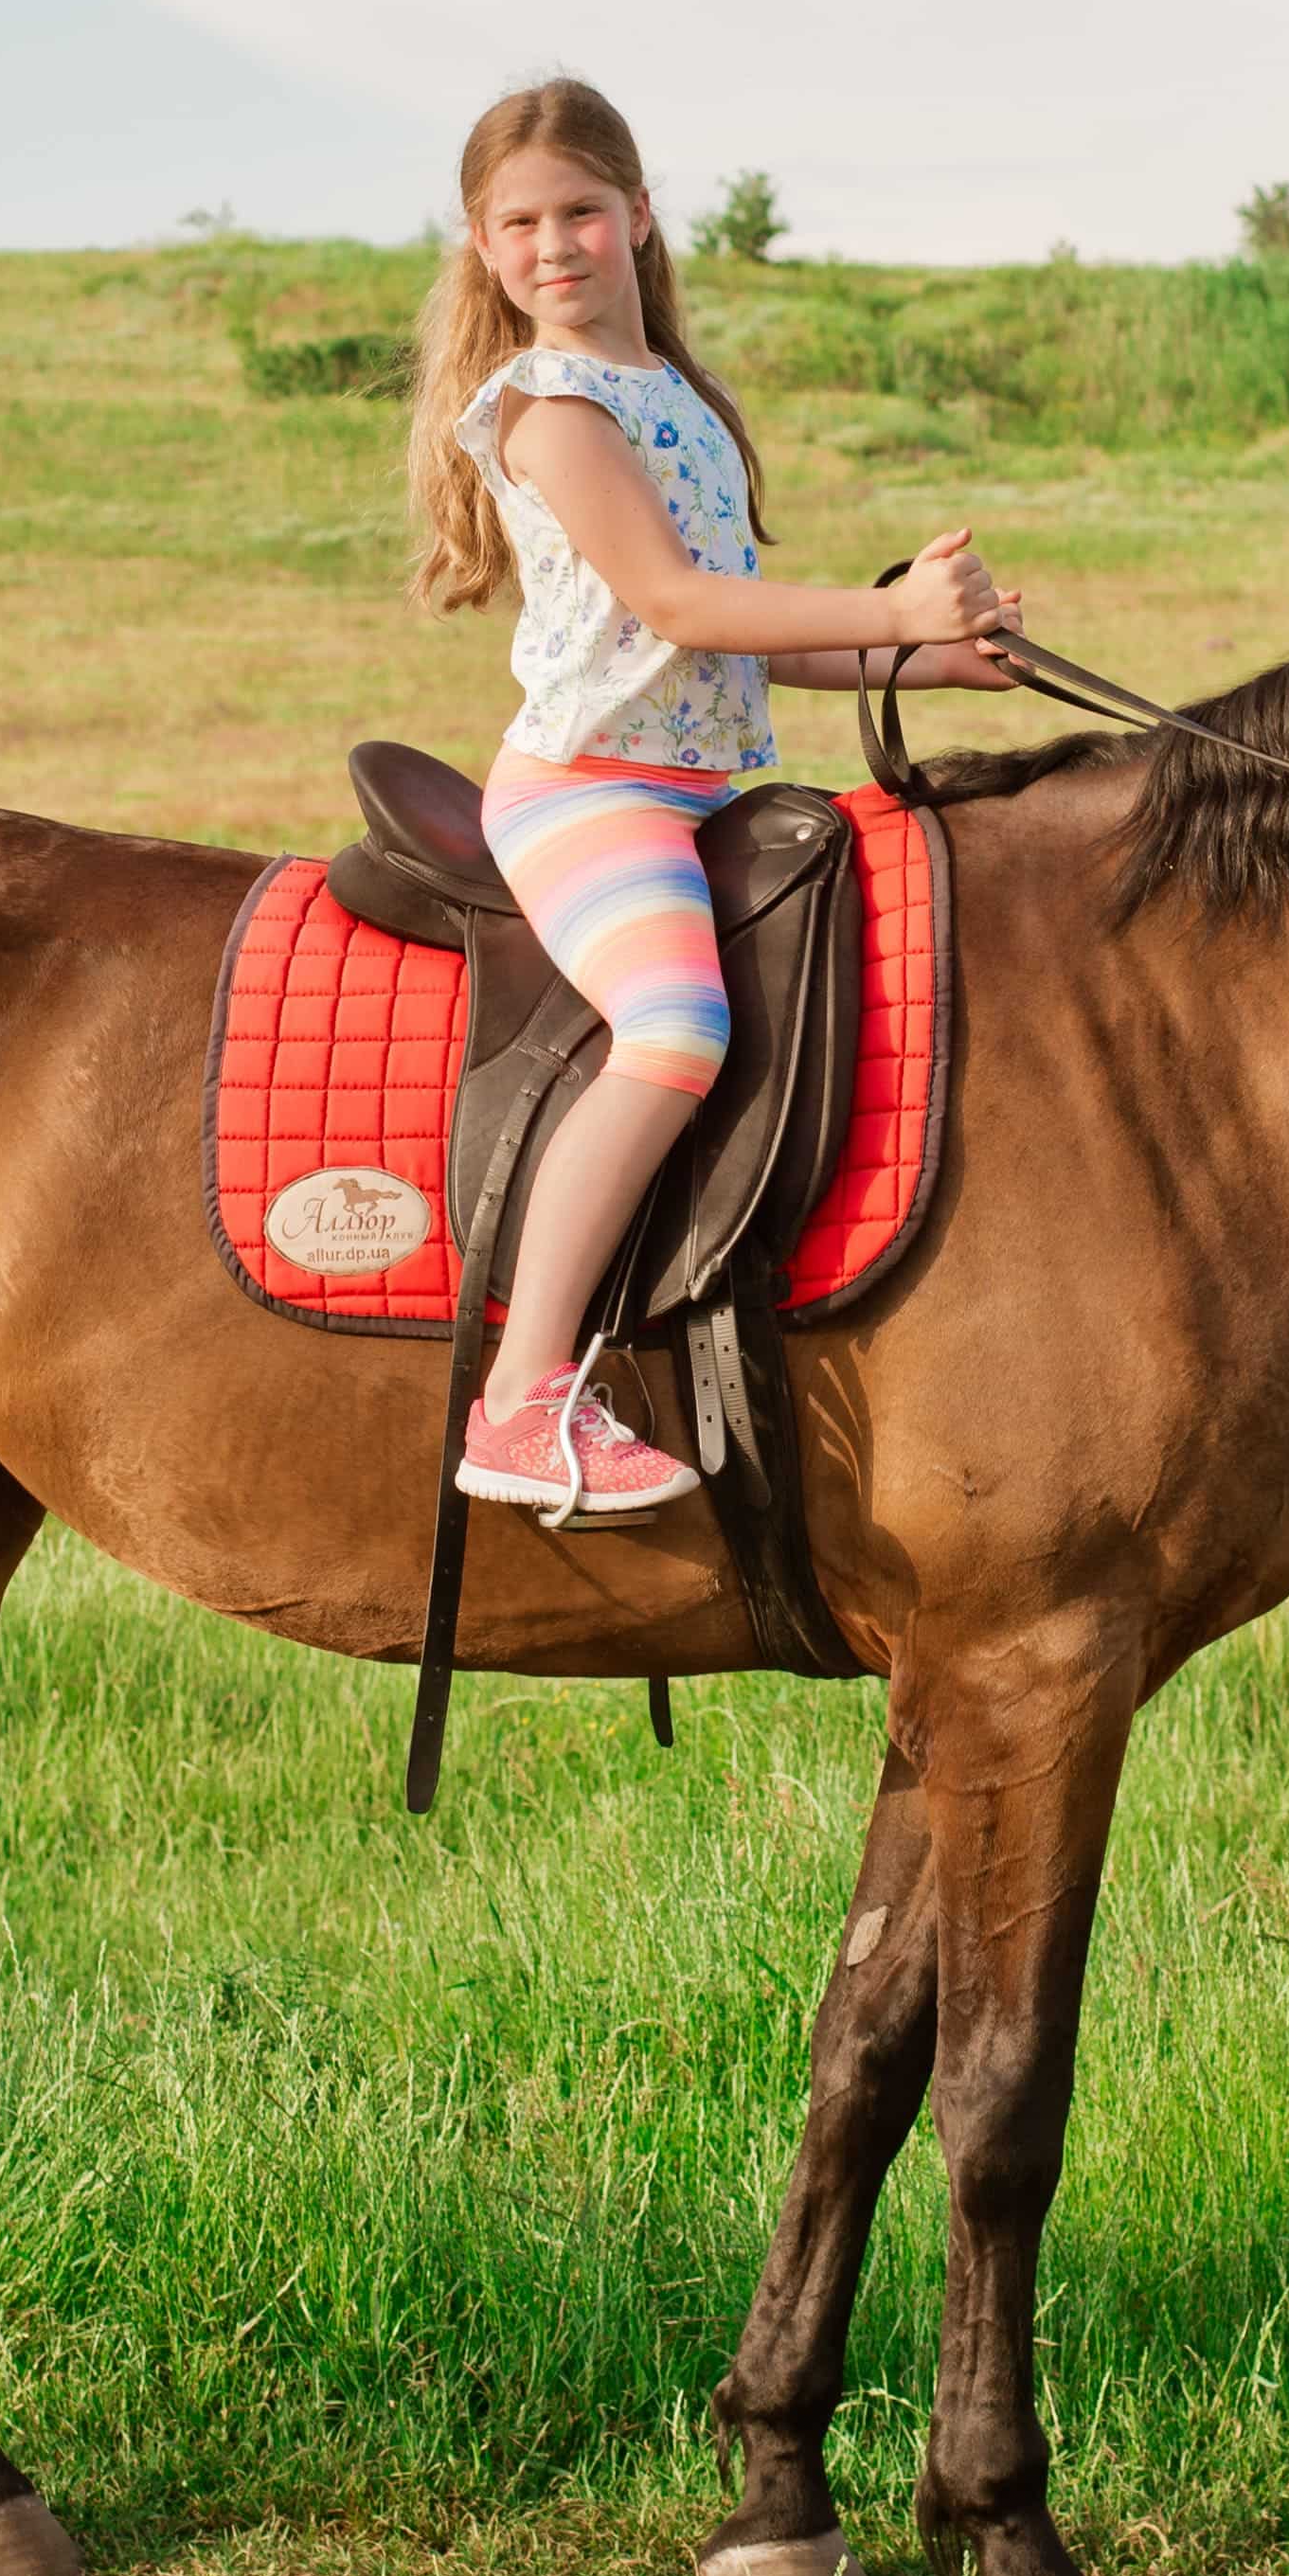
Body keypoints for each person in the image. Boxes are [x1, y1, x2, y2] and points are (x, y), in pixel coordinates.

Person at [404, 77, 1023, 1524]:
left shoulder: (678, 398)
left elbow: (747, 645)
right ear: (483, 247)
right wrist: (903, 603)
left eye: (580, 212)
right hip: (589, 789)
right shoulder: (549, 409)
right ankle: (522, 1398)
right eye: (520, 223)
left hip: (706, 780)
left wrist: (929, 659)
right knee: (676, 1027)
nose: (555, 244)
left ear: (637, 215)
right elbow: (678, 601)